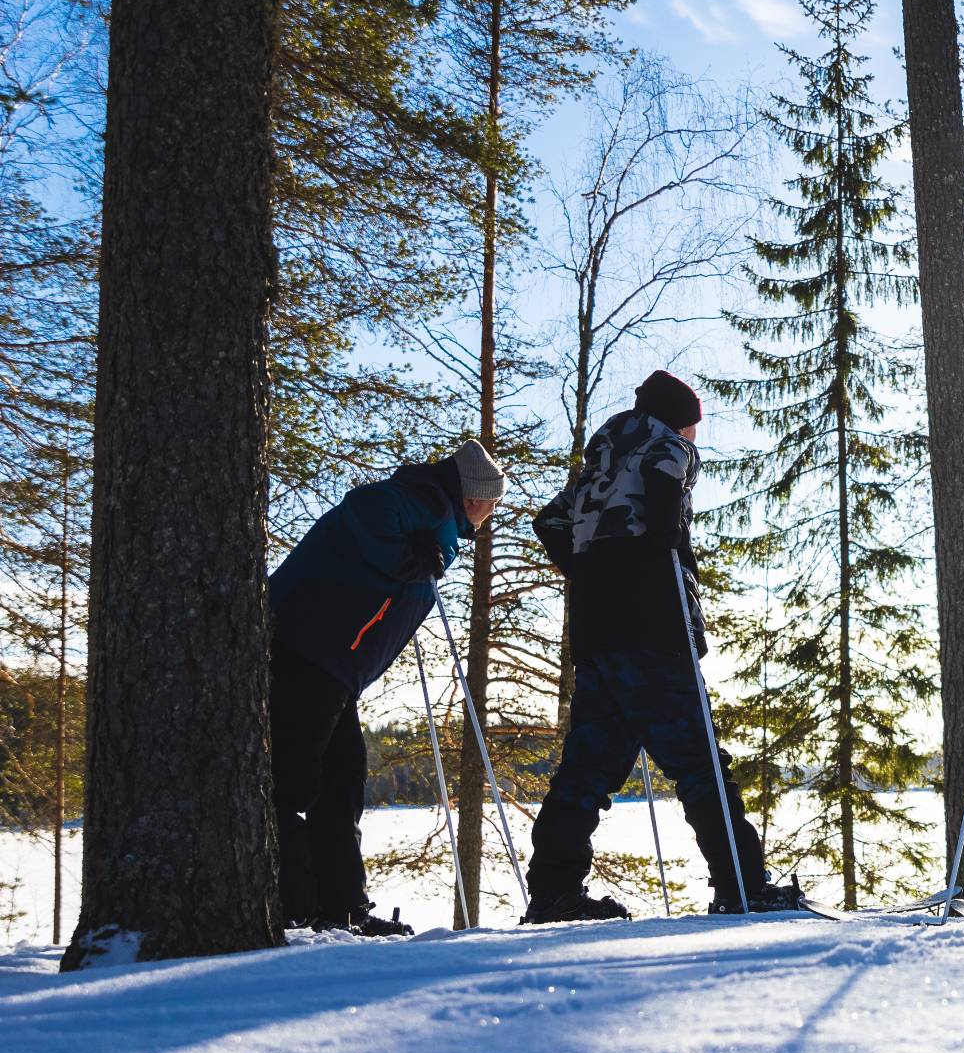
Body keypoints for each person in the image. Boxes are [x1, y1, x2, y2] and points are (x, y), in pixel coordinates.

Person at [528, 369, 789, 922]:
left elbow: (550, 520)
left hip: (597, 633)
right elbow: (665, 481)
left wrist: (587, 570)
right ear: (683, 420)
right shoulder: (667, 443)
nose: (695, 439)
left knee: (588, 768)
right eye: (695, 428)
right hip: (655, 626)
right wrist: (662, 538)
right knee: (699, 763)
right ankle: (741, 885)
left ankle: (553, 892)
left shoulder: (602, 455)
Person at [267, 439, 507, 935]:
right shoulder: (424, 498)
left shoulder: (433, 513)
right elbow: (365, 508)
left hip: (333, 665)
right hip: (307, 650)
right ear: (475, 496)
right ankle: (294, 904)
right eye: (492, 501)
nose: (491, 513)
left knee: (341, 782)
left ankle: (341, 908)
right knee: (294, 780)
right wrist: (407, 558)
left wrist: (415, 556)